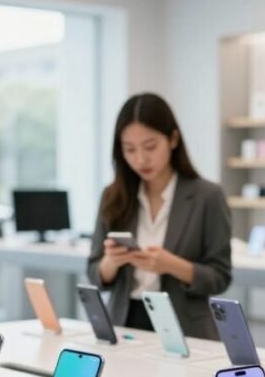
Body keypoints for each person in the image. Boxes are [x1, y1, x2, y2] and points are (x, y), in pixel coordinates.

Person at [87, 93, 232, 340]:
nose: (140, 159)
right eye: (129, 149)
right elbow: (94, 272)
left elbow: (219, 277)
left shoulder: (208, 196)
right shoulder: (113, 196)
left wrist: (171, 265)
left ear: (173, 139)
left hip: (185, 328)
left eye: (150, 146)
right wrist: (110, 263)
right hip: (124, 322)